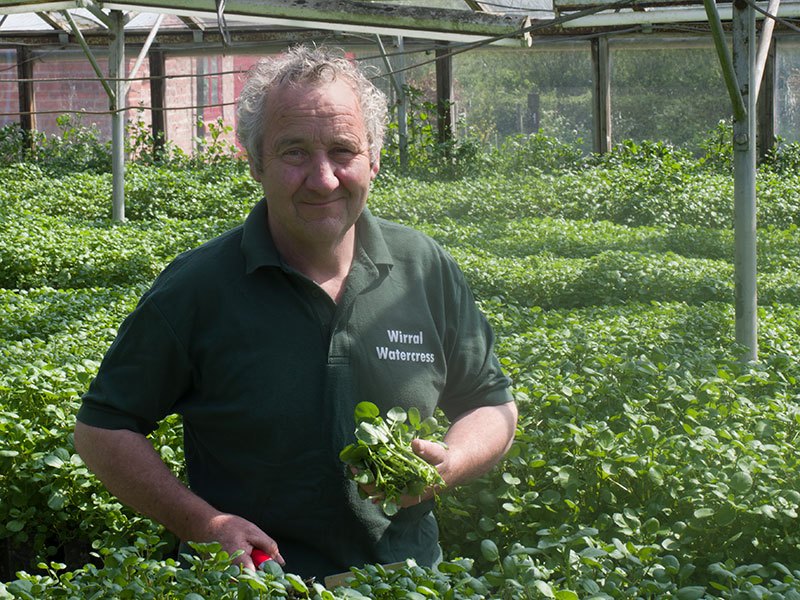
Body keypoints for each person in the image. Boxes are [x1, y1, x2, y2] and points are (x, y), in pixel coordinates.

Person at [73, 44, 518, 581]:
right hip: (254, 584)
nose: (324, 178)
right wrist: (204, 523)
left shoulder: (423, 267)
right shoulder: (197, 287)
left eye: (343, 150)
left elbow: (491, 403)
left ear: (373, 159)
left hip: (406, 582)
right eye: (294, 153)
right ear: (256, 160)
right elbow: (104, 428)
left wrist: (452, 463)